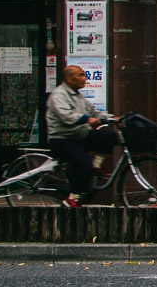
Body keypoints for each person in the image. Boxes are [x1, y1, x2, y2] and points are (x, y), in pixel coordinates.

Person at [46, 65, 118, 205]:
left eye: (83, 75)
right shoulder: (59, 95)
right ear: (68, 78)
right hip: (63, 139)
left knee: (109, 137)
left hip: (80, 136)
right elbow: (66, 116)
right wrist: (87, 119)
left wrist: (113, 118)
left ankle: (97, 166)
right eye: (80, 75)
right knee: (84, 165)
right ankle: (72, 198)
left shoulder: (78, 95)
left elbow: (93, 112)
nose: (84, 79)